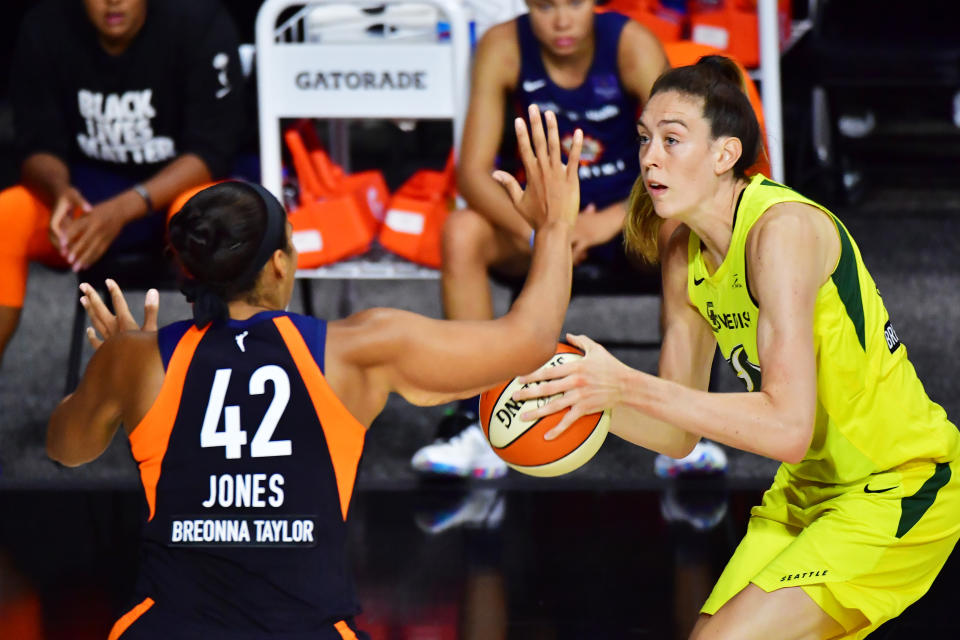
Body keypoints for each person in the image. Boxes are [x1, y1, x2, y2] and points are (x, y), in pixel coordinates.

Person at [46, 107, 581, 638]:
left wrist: (109, 371)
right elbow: (530, 341)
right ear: (280, 264)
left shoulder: (136, 359)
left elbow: (65, 449)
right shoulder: (355, 351)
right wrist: (554, 227)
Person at [515, 57, 960, 638]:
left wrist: (624, 383)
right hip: (807, 492)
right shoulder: (684, 251)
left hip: (899, 487)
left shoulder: (782, 233)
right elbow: (677, 432)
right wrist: (577, 396)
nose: (649, 157)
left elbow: (787, 427)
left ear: (725, 155)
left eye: (673, 140)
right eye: (645, 139)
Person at [410, 0, 681, 480]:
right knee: (462, 230)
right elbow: (472, 174)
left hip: (625, 222)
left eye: (573, 4)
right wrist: (544, 229)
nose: (559, 21)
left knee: (682, 228)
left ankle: (681, 420)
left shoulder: (632, 45)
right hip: (537, 224)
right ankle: (473, 418)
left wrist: (611, 220)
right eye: (544, 5)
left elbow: (681, 157)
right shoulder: (502, 46)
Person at [0, 0, 245, 364]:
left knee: (214, 218)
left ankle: (228, 387)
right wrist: (59, 191)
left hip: (178, 191)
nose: (113, 1)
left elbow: (213, 150)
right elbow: (35, 142)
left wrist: (123, 209)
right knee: (9, 214)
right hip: (89, 194)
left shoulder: (198, 18)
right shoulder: (46, 23)